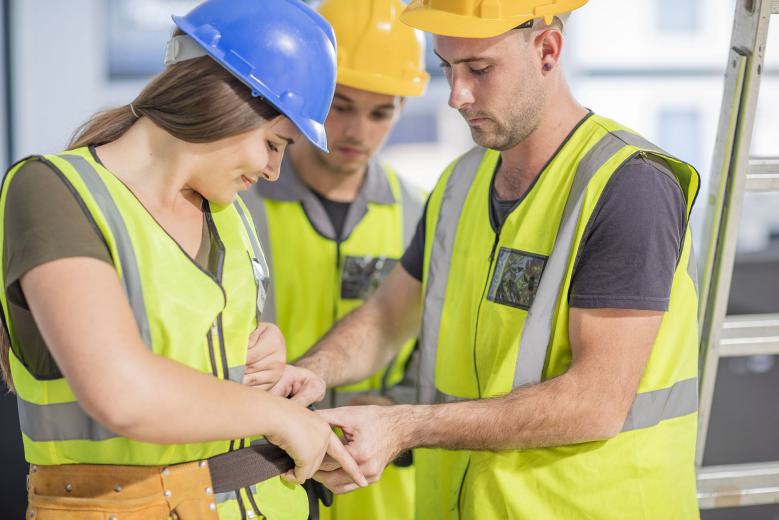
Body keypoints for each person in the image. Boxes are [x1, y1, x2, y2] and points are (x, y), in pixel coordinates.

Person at [286, 1, 702, 518]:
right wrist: (310, 373)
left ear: (547, 50)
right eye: (447, 68)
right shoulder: (460, 183)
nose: (457, 96)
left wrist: (406, 427)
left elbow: (595, 403)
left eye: (479, 69)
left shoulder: (629, 185)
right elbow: (388, 317)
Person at [0, 1, 366, 518]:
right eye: (273, 144)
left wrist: (267, 371)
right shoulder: (50, 191)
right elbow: (119, 393)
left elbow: (200, 363)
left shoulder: (230, 213)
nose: (272, 170)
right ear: (228, 102)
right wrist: (279, 418)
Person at [240, 1, 427, 518]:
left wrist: (393, 410)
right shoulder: (236, 204)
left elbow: (437, 343)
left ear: (401, 111)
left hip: (377, 488)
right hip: (263, 477)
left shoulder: (421, 213)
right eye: (341, 105)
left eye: (380, 112)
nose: (357, 131)